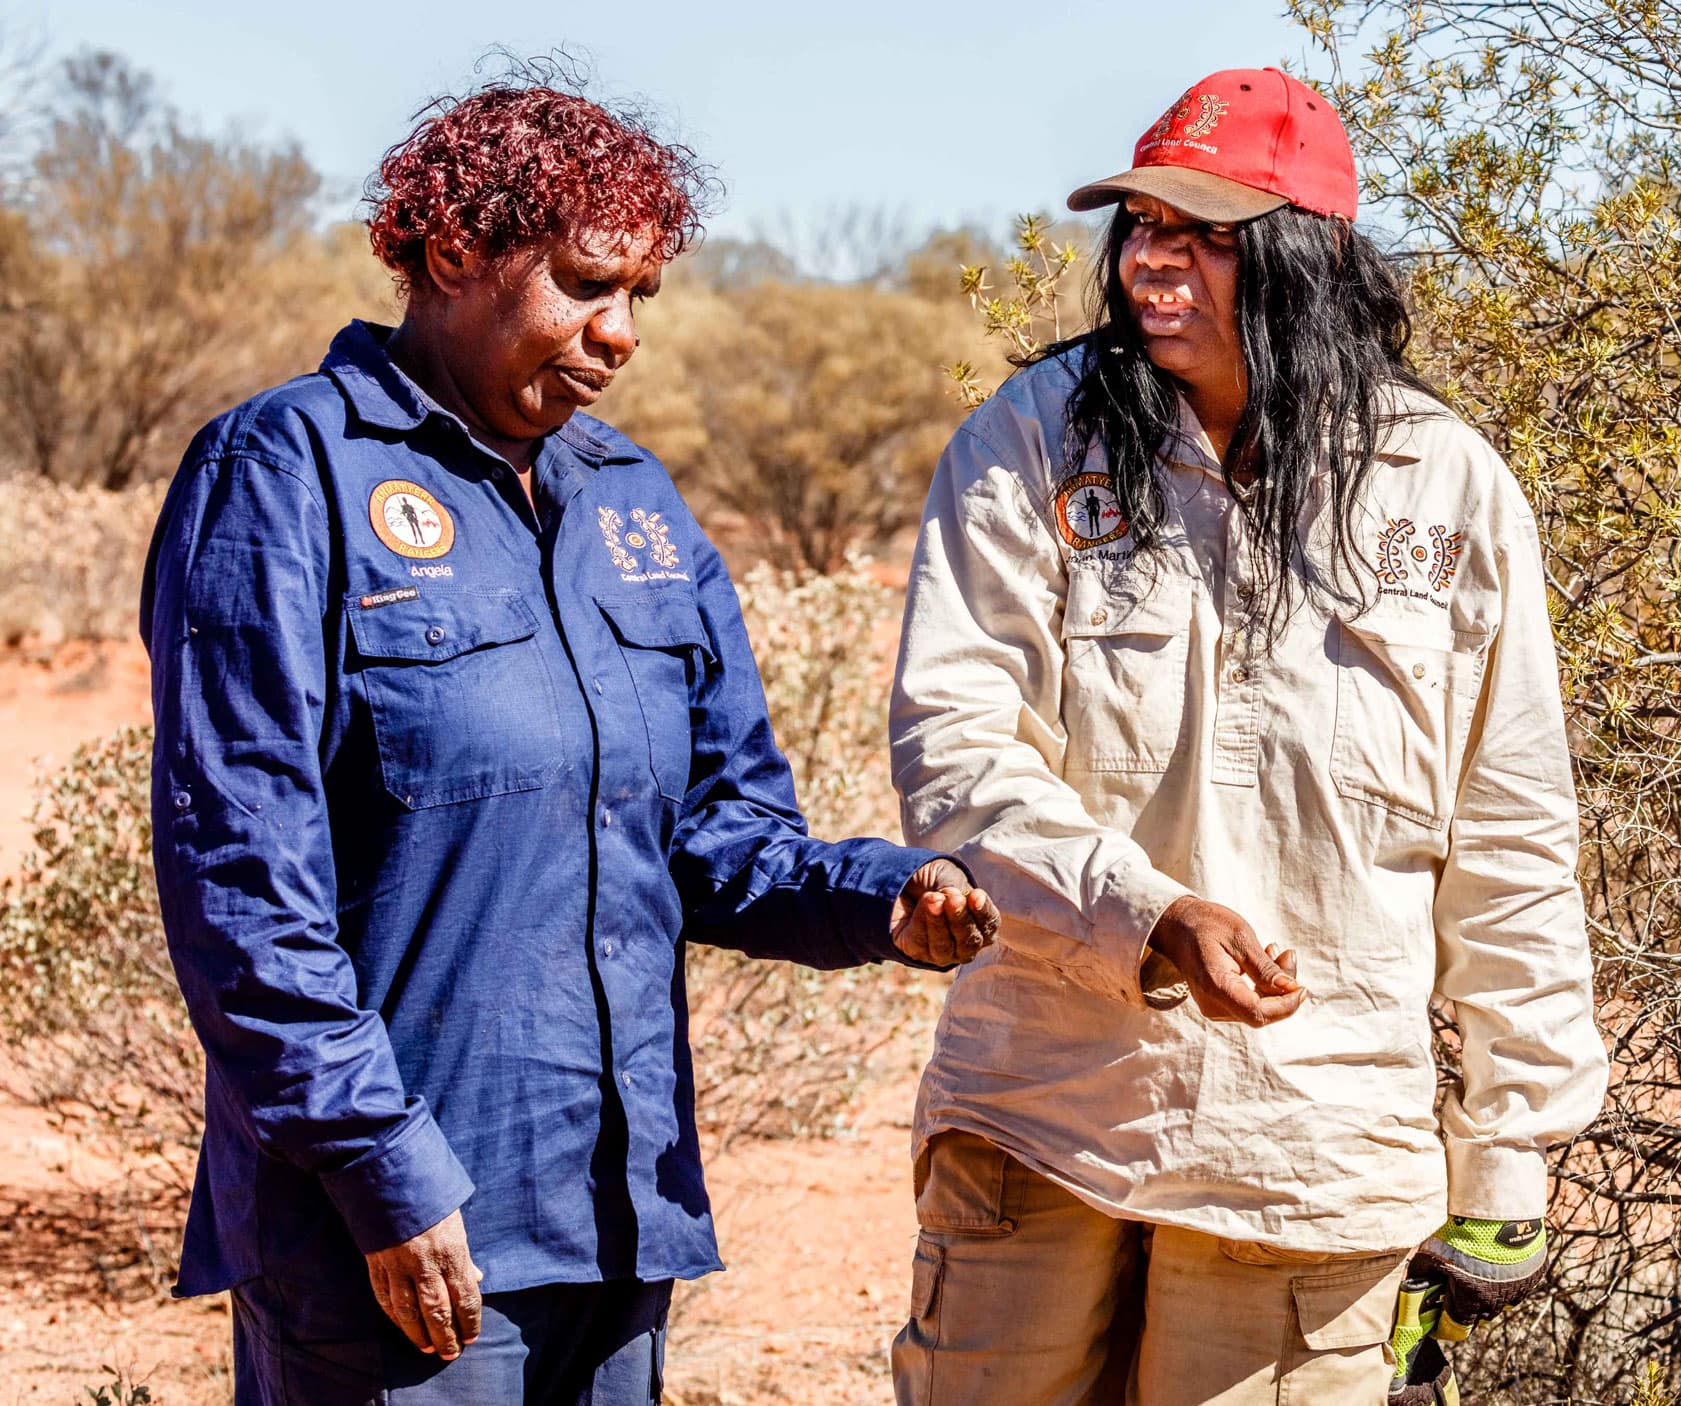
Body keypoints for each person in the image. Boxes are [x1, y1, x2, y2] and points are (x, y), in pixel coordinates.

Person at [143, 80, 997, 1406]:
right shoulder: (284, 471)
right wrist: (382, 1169)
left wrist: (888, 897)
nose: (620, 333)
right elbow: (241, 885)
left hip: (615, 1214)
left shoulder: (630, 503)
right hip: (394, 1241)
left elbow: (721, 839)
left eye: (641, 297)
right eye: (589, 285)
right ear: (451, 253)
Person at [888, 67, 1607, 1405]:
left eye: (1203, 232)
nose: (1152, 259)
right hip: (1043, 1107)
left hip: (1310, 1144)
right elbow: (955, 750)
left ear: (1305, 259)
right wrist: (1148, 915)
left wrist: (1510, 1151)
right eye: (1141, 223)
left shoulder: (1446, 488)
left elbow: (1511, 833)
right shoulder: (1028, 448)